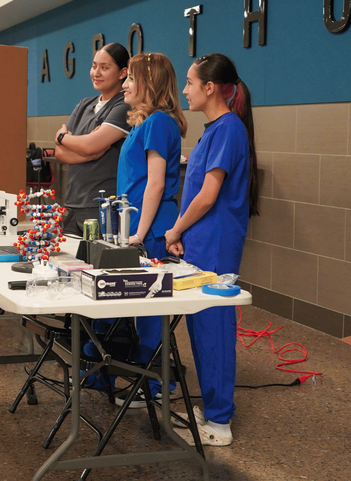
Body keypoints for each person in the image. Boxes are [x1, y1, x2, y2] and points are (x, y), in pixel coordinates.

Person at [165, 53, 259, 446]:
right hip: (202, 242)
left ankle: (220, 423)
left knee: (215, 330)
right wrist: (185, 234)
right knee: (201, 329)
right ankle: (211, 407)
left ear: (209, 87)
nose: (184, 90)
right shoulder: (213, 129)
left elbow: (207, 196)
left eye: (189, 82)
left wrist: (175, 228)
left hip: (217, 244)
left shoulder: (229, 130)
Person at [116, 52, 187, 404]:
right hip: (138, 228)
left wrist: (139, 236)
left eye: (131, 78)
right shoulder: (144, 123)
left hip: (152, 233)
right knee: (140, 312)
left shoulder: (159, 122)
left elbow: (155, 185)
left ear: (151, 83)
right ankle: (148, 381)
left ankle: (160, 387)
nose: (124, 83)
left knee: (149, 315)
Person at [54, 43, 131, 236]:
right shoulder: (84, 105)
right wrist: (88, 153)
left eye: (104, 68)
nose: (96, 73)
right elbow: (59, 152)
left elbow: (89, 145)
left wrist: (63, 137)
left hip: (102, 206)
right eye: (94, 65)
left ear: (123, 73)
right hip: (73, 204)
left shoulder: (124, 106)